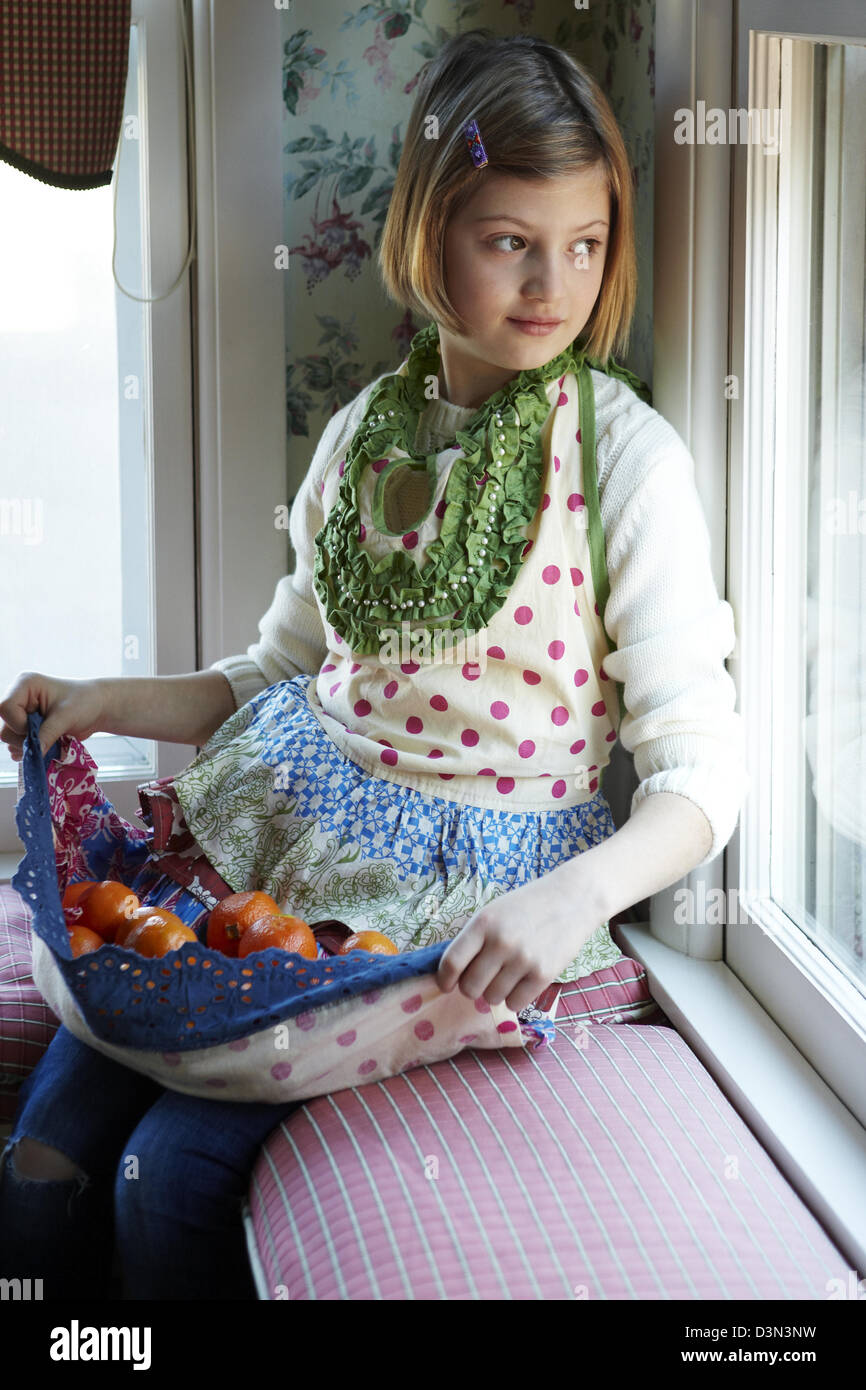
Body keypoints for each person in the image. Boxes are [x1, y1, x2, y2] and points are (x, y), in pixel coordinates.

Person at [0, 30, 748, 1299]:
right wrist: (106, 699)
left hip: (439, 901)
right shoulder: (360, 435)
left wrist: (573, 897)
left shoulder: (625, 461)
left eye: (583, 243)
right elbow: (272, 671)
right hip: (275, 838)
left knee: (160, 1181)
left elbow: (701, 767)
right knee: (45, 1156)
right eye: (508, 239)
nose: (550, 284)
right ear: (424, 232)